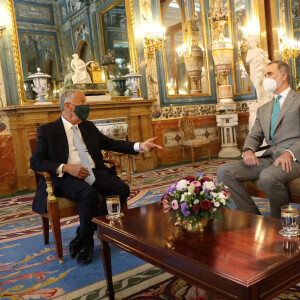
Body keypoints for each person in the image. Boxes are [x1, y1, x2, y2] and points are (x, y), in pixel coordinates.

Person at [30, 89, 162, 265]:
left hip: (94, 172)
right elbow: (36, 161)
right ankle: (87, 243)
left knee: (122, 189)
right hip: (66, 177)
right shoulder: (48, 131)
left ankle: (83, 232)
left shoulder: (88, 126)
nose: (87, 105)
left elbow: (112, 144)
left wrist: (140, 146)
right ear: (68, 106)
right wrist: (66, 168)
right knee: (88, 194)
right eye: (82, 102)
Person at [217, 61, 300, 219]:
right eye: (265, 74)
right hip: (270, 157)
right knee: (224, 171)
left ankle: (279, 222)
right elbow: (255, 134)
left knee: (268, 176)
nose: (265, 78)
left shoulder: (299, 100)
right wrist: (248, 150)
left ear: (283, 76)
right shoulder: (264, 108)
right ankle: (253, 217)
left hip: (295, 158)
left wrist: (290, 153)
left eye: (269, 74)